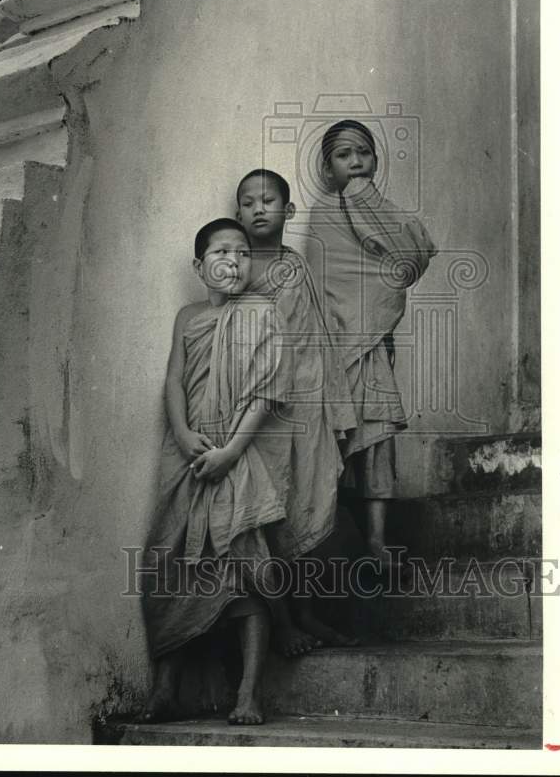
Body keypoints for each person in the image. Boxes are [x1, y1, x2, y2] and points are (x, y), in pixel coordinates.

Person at [141, 218, 292, 726]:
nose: (234, 261)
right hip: (188, 454)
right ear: (199, 265)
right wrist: (183, 435)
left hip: (236, 453)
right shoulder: (188, 316)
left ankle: (248, 693)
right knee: (171, 563)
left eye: (243, 253)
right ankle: (165, 688)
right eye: (222, 252)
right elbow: (174, 380)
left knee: (247, 571)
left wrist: (230, 452)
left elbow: (266, 392)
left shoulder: (264, 313)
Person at [235, 168, 361, 648]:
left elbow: (319, 342)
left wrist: (335, 409)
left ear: (288, 211)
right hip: (259, 412)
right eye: (247, 202)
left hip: (306, 407)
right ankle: (282, 622)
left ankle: (305, 614)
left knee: (304, 512)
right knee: (267, 514)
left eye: (267, 200)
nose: (258, 208)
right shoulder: (240, 267)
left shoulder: (297, 267)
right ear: (238, 213)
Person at [304, 120, 436, 563]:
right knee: (336, 441)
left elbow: (407, 257)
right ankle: (332, 541)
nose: (356, 161)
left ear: (376, 160)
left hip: (373, 344)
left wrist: (367, 202)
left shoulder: (383, 206)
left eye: (364, 152)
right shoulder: (324, 213)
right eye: (344, 155)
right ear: (327, 169)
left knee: (377, 436)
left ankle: (377, 540)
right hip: (335, 347)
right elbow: (322, 283)